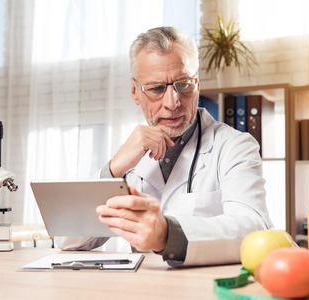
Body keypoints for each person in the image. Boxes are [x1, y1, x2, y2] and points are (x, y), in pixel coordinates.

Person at [55, 26, 272, 266]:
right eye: (157, 88)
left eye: (183, 84)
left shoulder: (234, 146)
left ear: (197, 84)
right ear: (135, 92)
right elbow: (67, 239)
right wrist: (114, 168)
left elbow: (254, 229)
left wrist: (167, 234)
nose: (172, 102)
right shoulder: (130, 157)